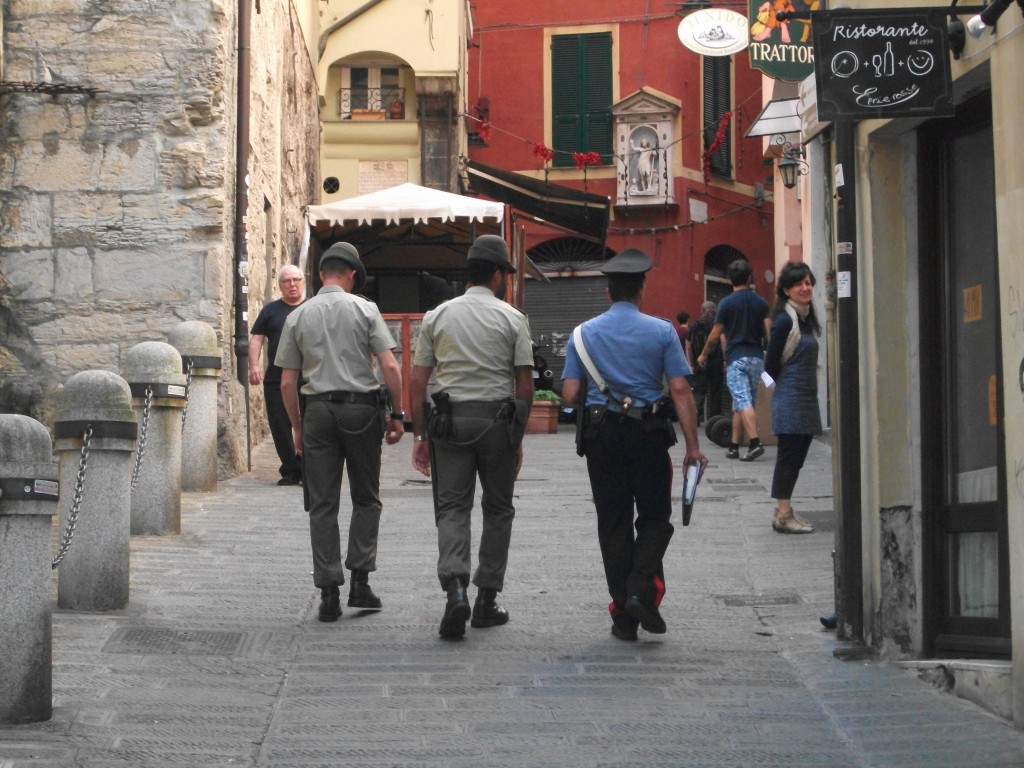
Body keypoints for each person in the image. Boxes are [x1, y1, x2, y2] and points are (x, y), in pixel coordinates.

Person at [561, 249, 707, 641]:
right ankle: (641, 590)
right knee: (656, 518)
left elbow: (570, 392)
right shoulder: (662, 332)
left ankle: (624, 615)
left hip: (601, 438)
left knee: (613, 523)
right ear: (642, 290)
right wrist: (693, 446)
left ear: (608, 293)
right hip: (648, 434)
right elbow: (679, 388)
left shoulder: (581, 334)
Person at [410, 235, 534, 640]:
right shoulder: (513, 319)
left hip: (449, 422)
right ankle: (486, 600)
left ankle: (456, 588)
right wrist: (515, 437)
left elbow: (417, 381)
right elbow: (525, 387)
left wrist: (421, 434)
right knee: (498, 509)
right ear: (498, 274)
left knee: (451, 508)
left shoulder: (436, 316)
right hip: (497, 423)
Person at [276, 242, 406, 622]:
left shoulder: (298, 316)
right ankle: (361, 582)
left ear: (319, 276)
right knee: (366, 497)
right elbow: (390, 366)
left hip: (317, 411)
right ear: (350, 275)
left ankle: (329, 590)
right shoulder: (365, 309)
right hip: (361, 411)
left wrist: (298, 428)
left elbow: (287, 382)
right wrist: (398, 414)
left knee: (322, 502)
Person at [764, 261, 821, 534]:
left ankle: (783, 510)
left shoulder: (807, 318)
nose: (805, 287)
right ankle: (783, 513)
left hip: (806, 399)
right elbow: (771, 365)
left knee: (797, 458)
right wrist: (770, 393)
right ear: (787, 290)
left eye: (808, 282)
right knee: (788, 457)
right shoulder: (785, 320)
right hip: (789, 398)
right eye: (799, 283)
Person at [696, 259, 770, 461]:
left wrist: (703, 354)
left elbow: (715, 334)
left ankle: (755, 442)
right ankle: (734, 446)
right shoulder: (761, 302)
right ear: (749, 278)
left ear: (730, 280)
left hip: (736, 359)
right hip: (756, 358)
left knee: (742, 399)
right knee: (742, 402)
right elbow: (768, 330)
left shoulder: (726, 304)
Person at [248, 265, 306, 485]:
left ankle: (308, 468)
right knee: (280, 425)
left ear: (302, 282)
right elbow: (256, 339)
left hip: (307, 378)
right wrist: (254, 366)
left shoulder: (311, 308)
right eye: (286, 281)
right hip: (275, 379)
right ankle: (291, 469)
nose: (291, 284)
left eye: (295, 279)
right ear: (279, 285)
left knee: (309, 423)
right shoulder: (270, 310)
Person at [688, 301, 723, 425]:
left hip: (700, 360)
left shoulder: (694, 325)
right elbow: (722, 340)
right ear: (712, 310)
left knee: (699, 390)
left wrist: (691, 362)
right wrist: (725, 359)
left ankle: (696, 416)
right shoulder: (716, 324)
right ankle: (714, 419)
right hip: (715, 360)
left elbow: (688, 345)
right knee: (716, 390)